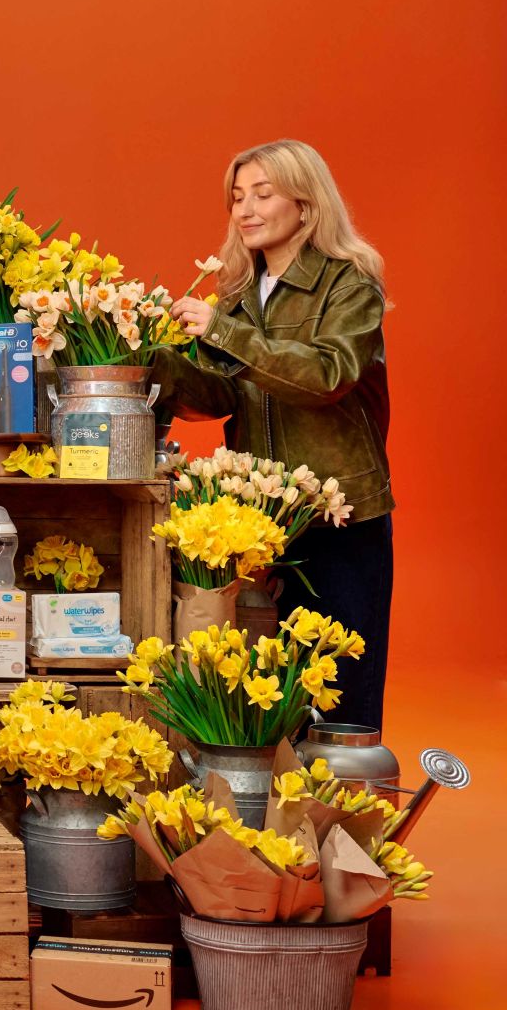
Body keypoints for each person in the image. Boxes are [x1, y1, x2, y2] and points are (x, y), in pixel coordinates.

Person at [156, 139, 394, 730]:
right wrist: (149, 355)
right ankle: (276, 793)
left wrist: (224, 332)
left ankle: (343, 793)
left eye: (263, 194)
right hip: (260, 520)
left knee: (340, 693)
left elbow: (328, 376)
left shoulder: (349, 284)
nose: (245, 209)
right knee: (266, 691)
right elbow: (218, 396)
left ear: (305, 204)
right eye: (237, 197)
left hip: (339, 515)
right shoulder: (239, 294)